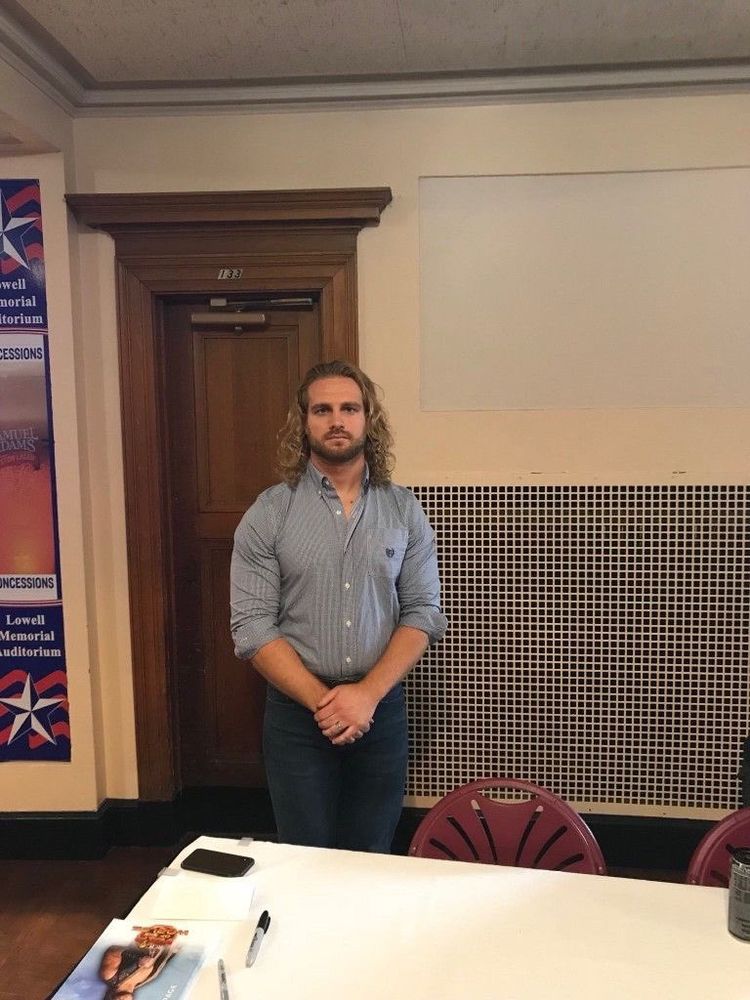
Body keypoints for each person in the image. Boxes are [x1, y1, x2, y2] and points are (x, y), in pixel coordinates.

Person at [230, 359, 447, 853]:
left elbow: (422, 612)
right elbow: (251, 626)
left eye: (349, 408)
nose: (336, 420)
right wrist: (326, 705)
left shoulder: (403, 509)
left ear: (368, 419)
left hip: (380, 709)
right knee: (305, 861)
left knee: (372, 859)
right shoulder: (270, 512)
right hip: (297, 720)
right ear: (303, 422)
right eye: (322, 409)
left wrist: (365, 697)